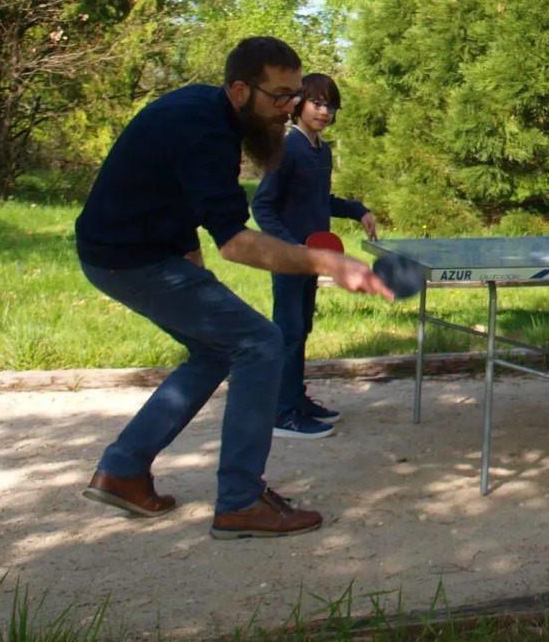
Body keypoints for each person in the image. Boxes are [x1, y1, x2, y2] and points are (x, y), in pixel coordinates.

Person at [74, 37, 392, 539]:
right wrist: (328, 263)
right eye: (281, 97)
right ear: (242, 89)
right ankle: (240, 502)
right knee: (261, 341)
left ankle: (124, 468)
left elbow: (175, 197)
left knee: (215, 351)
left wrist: (192, 267)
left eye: (294, 96)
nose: (288, 109)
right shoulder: (204, 126)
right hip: (127, 258)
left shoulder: (211, 116)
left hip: (129, 251)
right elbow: (236, 242)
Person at [251, 73, 378, 440]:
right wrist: (293, 248)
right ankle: (281, 413)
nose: (325, 111)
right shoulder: (286, 148)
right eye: (317, 103)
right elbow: (262, 205)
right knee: (288, 332)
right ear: (298, 105)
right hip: (291, 257)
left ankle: (296, 400)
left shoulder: (320, 150)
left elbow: (320, 200)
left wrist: (358, 210)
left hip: (311, 258)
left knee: (301, 328)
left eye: (331, 105)